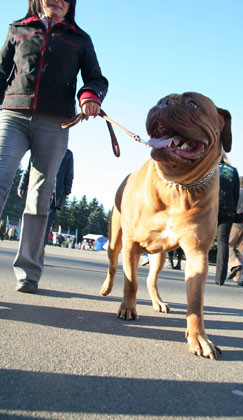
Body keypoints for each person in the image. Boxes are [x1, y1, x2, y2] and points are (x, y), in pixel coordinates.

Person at [0, 0, 108, 293]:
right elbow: (1, 73)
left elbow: (96, 78)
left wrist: (89, 96)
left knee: (40, 195)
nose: (58, 0)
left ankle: (29, 272)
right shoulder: (17, 29)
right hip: (13, 114)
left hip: (55, 122)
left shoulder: (79, 39)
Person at [18, 149, 74, 246]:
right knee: (31, 219)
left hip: (53, 194)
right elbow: (29, 167)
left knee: (45, 223)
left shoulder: (67, 154)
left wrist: (66, 191)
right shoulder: (39, 146)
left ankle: (39, 249)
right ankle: (27, 247)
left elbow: (69, 174)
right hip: (37, 189)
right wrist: (22, 185)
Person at [215, 153, 240, 285]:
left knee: (202, 241)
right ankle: (220, 279)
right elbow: (236, 193)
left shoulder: (211, 167)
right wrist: (233, 209)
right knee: (223, 242)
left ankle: (198, 273)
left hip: (211, 208)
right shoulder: (233, 171)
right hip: (228, 209)